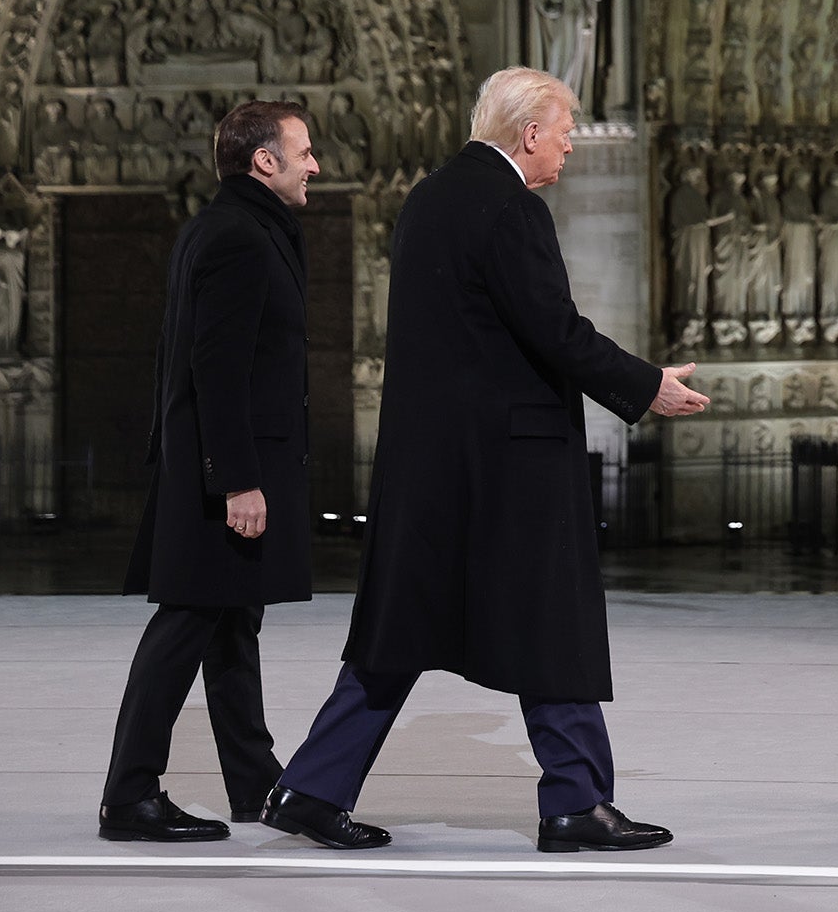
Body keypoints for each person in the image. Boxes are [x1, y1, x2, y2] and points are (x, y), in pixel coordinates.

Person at [262, 68, 709, 853]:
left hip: (431, 464)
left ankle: (310, 786)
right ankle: (575, 803)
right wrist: (648, 388)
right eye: (564, 127)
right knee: (553, 622)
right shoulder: (514, 208)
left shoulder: (429, 198)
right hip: (511, 465)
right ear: (528, 131)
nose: (570, 141)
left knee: (398, 632)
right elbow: (555, 330)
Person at [99, 101, 321, 843]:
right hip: (221, 474)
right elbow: (216, 368)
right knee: (188, 621)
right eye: (304, 151)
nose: (314, 164)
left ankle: (256, 783)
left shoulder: (226, 225)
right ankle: (130, 794)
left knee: (230, 623)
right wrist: (237, 479)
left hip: (214, 465)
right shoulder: (238, 235)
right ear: (265, 160)